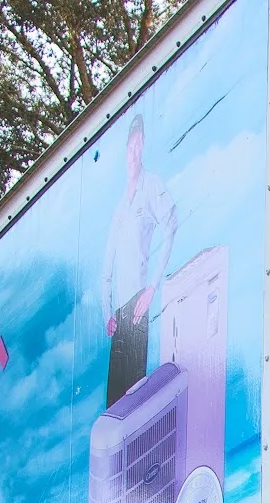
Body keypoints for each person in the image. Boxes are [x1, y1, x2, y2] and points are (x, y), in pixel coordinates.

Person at [100, 116, 179, 406]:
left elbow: (171, 226)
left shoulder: (151, 185)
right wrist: (106, 312)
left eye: (137, 146)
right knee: (114, 404)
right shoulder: (121, 206)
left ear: (143, 146)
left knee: (134, 400)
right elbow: (106, 269)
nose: (133, 154)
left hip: (137, 305)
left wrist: (151, 289)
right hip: (119, 315)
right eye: (129, 147)